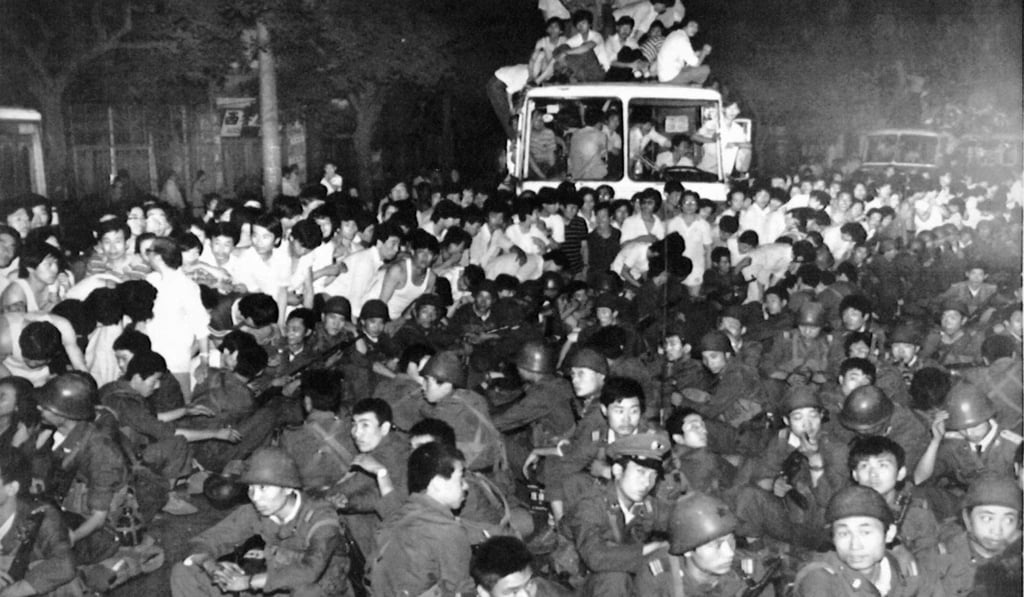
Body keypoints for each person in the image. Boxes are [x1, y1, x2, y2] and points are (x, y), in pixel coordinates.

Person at [170, 448, 351, 596]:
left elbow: (310, 571)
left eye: (263, 488)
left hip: (318, 590)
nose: (255, 497)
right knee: (184, 572)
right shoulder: (256, 513)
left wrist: (248, 582)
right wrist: (211, 566)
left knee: (306, 592)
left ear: (288, 489)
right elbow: (204, 541)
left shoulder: (321, 517)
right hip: (270, 586)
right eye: (251, 488)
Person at [565, 430, 672, 597]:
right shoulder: (590, 505)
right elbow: (595, 557)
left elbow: (677, 518)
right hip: (579, 583)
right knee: (615, 578)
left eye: (653, 475)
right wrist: (652, 548)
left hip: (624, 576)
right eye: (640, 472)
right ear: (617, 471)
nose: (647, 483)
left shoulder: (646, 504)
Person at [367, 441, 474, 596]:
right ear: (438, 483)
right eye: (460, 478)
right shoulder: (447, 531)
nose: (466, 486)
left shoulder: (397, 517)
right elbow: (461, 591)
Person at [792, 485, 934, 595]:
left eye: (865, 532)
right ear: (833, 538)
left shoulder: (905, 570)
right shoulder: (819, 581)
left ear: (889, 534)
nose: (855, 545)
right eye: (843, 534)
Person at [633, 492, 777, 597]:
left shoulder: (752, 573)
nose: (729, 552)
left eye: (730, 540)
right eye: (716, 545)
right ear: (687, 550)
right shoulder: (657, 578)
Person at [916, 475, 1022, 596]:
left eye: (1008, 520)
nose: (997, 530)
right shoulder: (938, 561)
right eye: (987, 518)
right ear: (967, 518)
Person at [470, 536, 572, 597]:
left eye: (529, 584)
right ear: (485, 594)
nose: (525, 595)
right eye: (514, 592)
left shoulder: (546, 590)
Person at [656, 18, 711, 85]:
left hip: (664, 76)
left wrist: (700, 52)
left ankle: (691, 85)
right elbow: (696, 64)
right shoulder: (682, 39)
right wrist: (704, 52)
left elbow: (688, 58)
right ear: (685, 25)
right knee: (705, 69)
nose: (695, 29)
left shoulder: (674, 34)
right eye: (692, 25)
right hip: (671, 78)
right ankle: (695, 86)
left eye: (696, 27)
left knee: (689, 68)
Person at [568, 106, 609, 181]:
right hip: (594, 176)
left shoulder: (575, 134)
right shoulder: (601, 135)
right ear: (599, 122)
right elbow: (604, 158)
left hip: (576, 175)